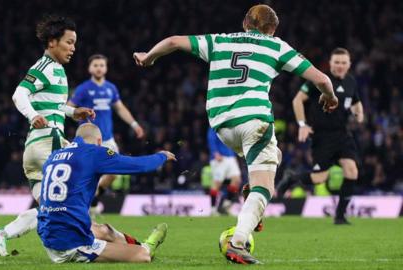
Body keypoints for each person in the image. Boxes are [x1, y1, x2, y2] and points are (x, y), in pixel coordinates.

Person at [133, 4, 338, 264]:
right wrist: (329, 97)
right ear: (273, 30)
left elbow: (173, 41)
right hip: (254, 120)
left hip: (221, 125)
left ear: (245, 23)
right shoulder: (275, 46)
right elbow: (322, 79)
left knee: (274, 154)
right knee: (266, 187)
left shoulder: (219, 41)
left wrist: (149, 56)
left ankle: (251, 193)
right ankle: (238, 241)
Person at [0, 15, 95, 256]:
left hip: (34, 150)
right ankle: (88, 244)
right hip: (49, 143)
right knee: (70, 201)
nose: (73, 48)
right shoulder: (43, 67)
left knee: (48, 207)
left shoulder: (57, 71)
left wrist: (73, 112)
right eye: (69, 42)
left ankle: (0, 235)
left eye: (75, 43)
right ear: (52, 42)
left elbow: (52, 106)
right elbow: (19, 95)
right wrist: (32, 115)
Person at [38, 123, 174, 263]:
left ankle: (137, 245)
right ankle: (146, 247)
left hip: (49, 232)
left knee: (105, 231)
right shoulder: (94, 153)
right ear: (99, 141)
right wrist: (161, 156)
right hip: (71, 243)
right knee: (143, 256)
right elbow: (137, 165)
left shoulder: (54, 156)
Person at [276, 47, 364, 225]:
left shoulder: (351, 82)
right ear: (330, 63)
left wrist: (359, 114)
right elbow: (297, 100)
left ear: (349, 65)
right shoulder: (320, 80)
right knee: (320, 178)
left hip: (342, 134)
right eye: (336, 62)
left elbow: (355, 102)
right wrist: (302, 125)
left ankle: (340, 216)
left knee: (352, 170)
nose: (340, 66)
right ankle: (292, 177)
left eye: (343, 63)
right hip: (322, 136)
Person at [68, 54, 145, 215]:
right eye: (95, 65)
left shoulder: (111, 88)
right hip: (88, 139)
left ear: (106, 68)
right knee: (87, 173)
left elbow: (120, 108)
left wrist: (134, 124)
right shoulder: (83, 88)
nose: (99, 68)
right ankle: (82, 205)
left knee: (115, 171)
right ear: (90, 68)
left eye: (102, 65)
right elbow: (69, 106)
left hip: (107, 138)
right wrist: (76, 115)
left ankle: (96, 193)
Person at [207, 127, 241, 215]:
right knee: (217, 183)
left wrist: (234, 155)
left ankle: (226, 205)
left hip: (230, 157)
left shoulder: (229, 126)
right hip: (219, 158)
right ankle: (213, 209)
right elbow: (211, 138)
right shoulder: (215, 124)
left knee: (236, 180)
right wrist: (215, 152)